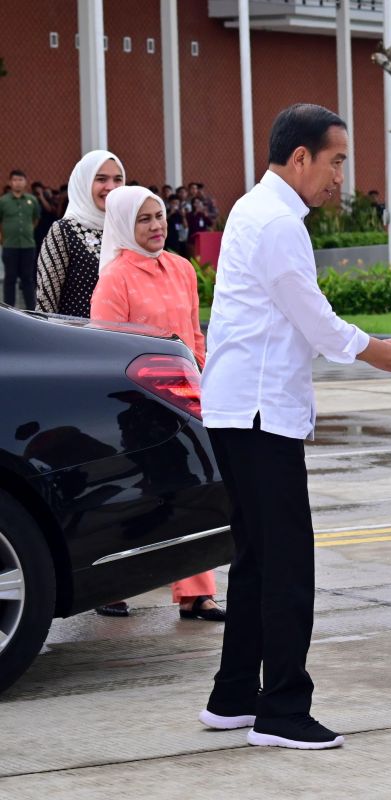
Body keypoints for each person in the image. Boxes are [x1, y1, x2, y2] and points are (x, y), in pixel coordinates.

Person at [198, 103, 391, 750]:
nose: (339, 178)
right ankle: (282, 710)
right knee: (287, 565)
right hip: (258, 413)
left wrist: (384, 345)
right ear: (299, 157)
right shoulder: (275, 222)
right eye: (335, 162)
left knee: (255, 562)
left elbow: (309, 321)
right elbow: (320, 324)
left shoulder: (257, 210)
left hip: (241, 409)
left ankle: (233, 696)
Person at [89, 185, 225, 623]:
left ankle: (196, 595)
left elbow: (193, 333)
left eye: (160, 216)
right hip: (135, 405)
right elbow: (104, 346)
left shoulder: (182, 269)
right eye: (145, 219)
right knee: (134, 495)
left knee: (192, 490)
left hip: (184, 400)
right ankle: (112, 587)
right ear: (127, 225)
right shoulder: (115, 277)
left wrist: (205, 380)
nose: (156, 226)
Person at [35, 150, 125, 317]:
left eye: (118, 179)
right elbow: (46, 303)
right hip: (77, 339)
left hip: (125, 339)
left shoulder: (127, 229)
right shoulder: (64, 231)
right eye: (101, 179)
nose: (111, 187)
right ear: (84, 182)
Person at [0, 169, 41, 309]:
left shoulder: (32, 200)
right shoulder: (3, 201)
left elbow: (36, 219)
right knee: (10, 278)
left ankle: (31, 310)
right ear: (10, 182)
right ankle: (8, 309)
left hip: (28, 246)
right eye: (15, 180)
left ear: (25, 182)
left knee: (28, 279)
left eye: (20, 180)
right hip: (9, 245)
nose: (18, 183)